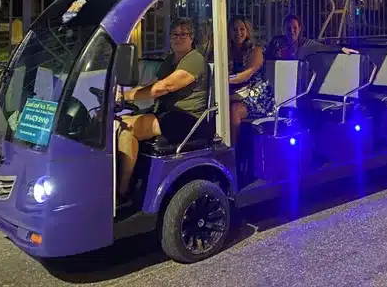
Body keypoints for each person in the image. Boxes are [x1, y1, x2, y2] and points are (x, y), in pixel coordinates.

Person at [116, 17, 209, 201]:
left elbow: (164, 87)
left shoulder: (194, 59)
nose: (178, 38)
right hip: (167, 113)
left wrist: (125, 96)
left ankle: (122, 192)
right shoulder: (170, 59)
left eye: (183, 34)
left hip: (187, 118)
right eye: (174, 34)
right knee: (119, 122)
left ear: (191, 38)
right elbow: (152, 84)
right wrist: (122, 93)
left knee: (129, 130)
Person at [228, 16, 274, 142]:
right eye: (234, 29)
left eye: (242, 29)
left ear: (247, 31)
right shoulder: (226, 51)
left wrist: (224, 80)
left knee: (234, 110)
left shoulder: (255, 50)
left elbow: (246, 74)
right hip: (236, 93)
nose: (238, 33)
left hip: (257, 97)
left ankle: (233, 149)